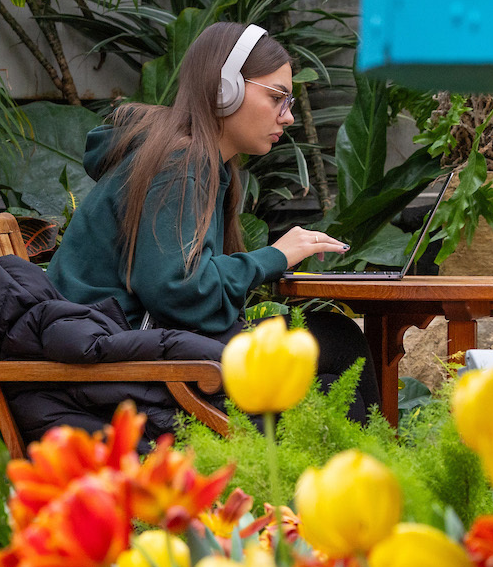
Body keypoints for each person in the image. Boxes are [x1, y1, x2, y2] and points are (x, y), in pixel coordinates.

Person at [48, 20, 375, 414]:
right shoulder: (180, 163)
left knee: (339, 340)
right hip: (122, 376)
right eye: (277, 98)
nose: (287, 117)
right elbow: (179, 291)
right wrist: (274, 257)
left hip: (143, 353)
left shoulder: (192, 159)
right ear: (226, 90)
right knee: (337, 389)